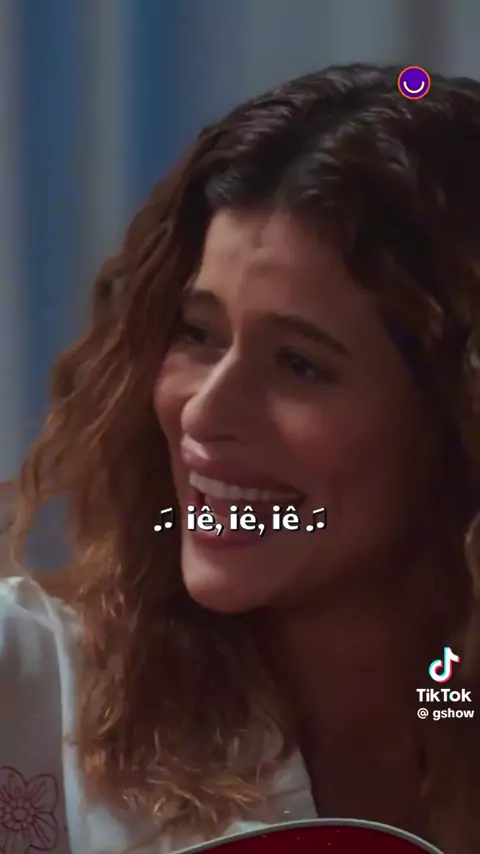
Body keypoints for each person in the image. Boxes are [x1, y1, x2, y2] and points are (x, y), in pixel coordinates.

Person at [1, 62, 479, 854]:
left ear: (457, 423)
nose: (204, 413)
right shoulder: (28, 692)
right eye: (198, 334)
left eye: (300, 365)